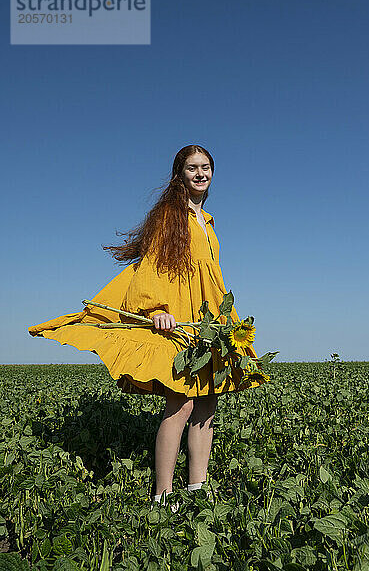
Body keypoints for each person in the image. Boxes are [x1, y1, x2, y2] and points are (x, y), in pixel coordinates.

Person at [28, 144, 267, 509]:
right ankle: (162, 495)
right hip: (176, 318)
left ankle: (197, 489)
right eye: (192, 168)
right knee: (181, 404)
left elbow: (209, 275)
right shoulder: (170, 215)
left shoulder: (208, 221)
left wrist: (223, 320)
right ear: (180, 175)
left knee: (208, 403)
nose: (200, 173)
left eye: (205, 167)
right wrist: (156, 308)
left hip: (208, 319)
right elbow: (154, 264)